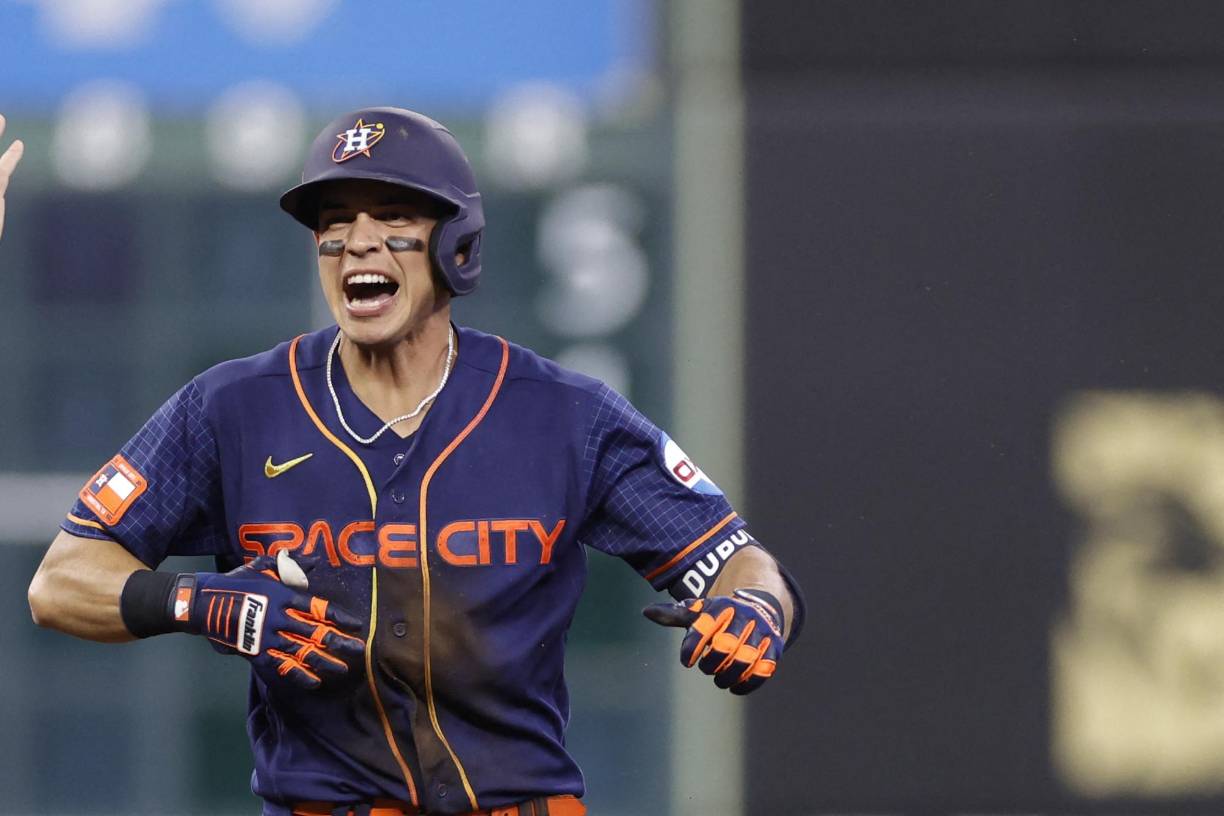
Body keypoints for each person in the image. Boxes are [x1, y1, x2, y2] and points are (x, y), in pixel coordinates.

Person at [20, 107, 805, 816]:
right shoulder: (233, 409)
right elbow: (61, 582)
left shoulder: (563, 414)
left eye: (393, 215)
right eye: (335, 221)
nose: (359, 240)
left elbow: (739, 562)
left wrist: (756, 610)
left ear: (457, 244)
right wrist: (199, 601)